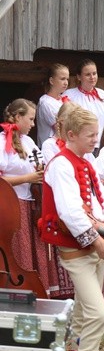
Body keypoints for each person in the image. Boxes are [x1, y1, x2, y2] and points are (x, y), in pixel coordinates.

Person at [39, 106, 104, 351]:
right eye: (90, 135)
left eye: (97, 134)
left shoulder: (87, 162)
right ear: (71, 134)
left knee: (87, 312)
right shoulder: (61, 165)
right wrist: (98, 240)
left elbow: (102, 200)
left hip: (94, 243)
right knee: (99, 312)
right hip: (76, 248)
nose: (95, 140)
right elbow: (70, 211)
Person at [1, 99, 53, 295]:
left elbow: (39, 165)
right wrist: (27, 177)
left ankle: (37, 290)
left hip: (31, 202)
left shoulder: (29, 142)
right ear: (17, 117)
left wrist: (39, 172)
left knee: (33, 248)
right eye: (30, 119)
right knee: (18, 250)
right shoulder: (1, 141)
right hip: (11, 204)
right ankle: (16, 291)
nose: (33, 124)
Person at [64, 59, 104, 150]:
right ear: (79, 77)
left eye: (94, 73)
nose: (92, 77)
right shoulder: (70, 95)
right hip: (82, 145)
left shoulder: (102, 94)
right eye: (88, 74)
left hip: (102, 144)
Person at [36, 63, 70, 146]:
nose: (66, 83)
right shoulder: (45, 102)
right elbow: (60, 129)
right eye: (62, 79)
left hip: (63, 146)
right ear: (51, 81)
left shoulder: (64, 100)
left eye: (67, 79)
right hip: (50, 148)